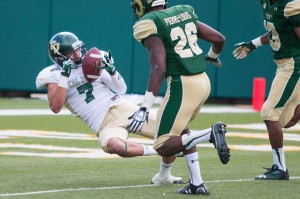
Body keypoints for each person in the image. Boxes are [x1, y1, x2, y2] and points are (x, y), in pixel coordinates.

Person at [35, 31, 183, 185]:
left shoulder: (93, 60)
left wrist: (112, 71)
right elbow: (55, 107)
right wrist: (65, 76)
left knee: (172, 130)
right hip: (102, 122)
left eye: (78, 49)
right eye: (72, 52)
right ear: (60, 57)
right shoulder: (53, 74)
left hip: (122, 108)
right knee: (114, 146)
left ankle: (164, 176)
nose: (78, 54)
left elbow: (121, 89)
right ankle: (158, 150)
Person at [129, 0, 230, 195]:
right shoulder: (183, 11)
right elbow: (219, 39)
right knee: (182, 130)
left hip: (182, 84)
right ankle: (197, 183)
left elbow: (159, 68)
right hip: (203, 81)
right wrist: (211, 56)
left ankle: (211, 134)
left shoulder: (148, 23)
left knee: (162, 145)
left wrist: (144, 107)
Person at [233, 0, 300, 180]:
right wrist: (253, 44)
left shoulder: (291, 5)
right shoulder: (266, 3)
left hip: (293, 64)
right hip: (283, 64)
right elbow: (274, 32)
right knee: (287, 121)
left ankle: (280, 168)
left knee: (269, 113)